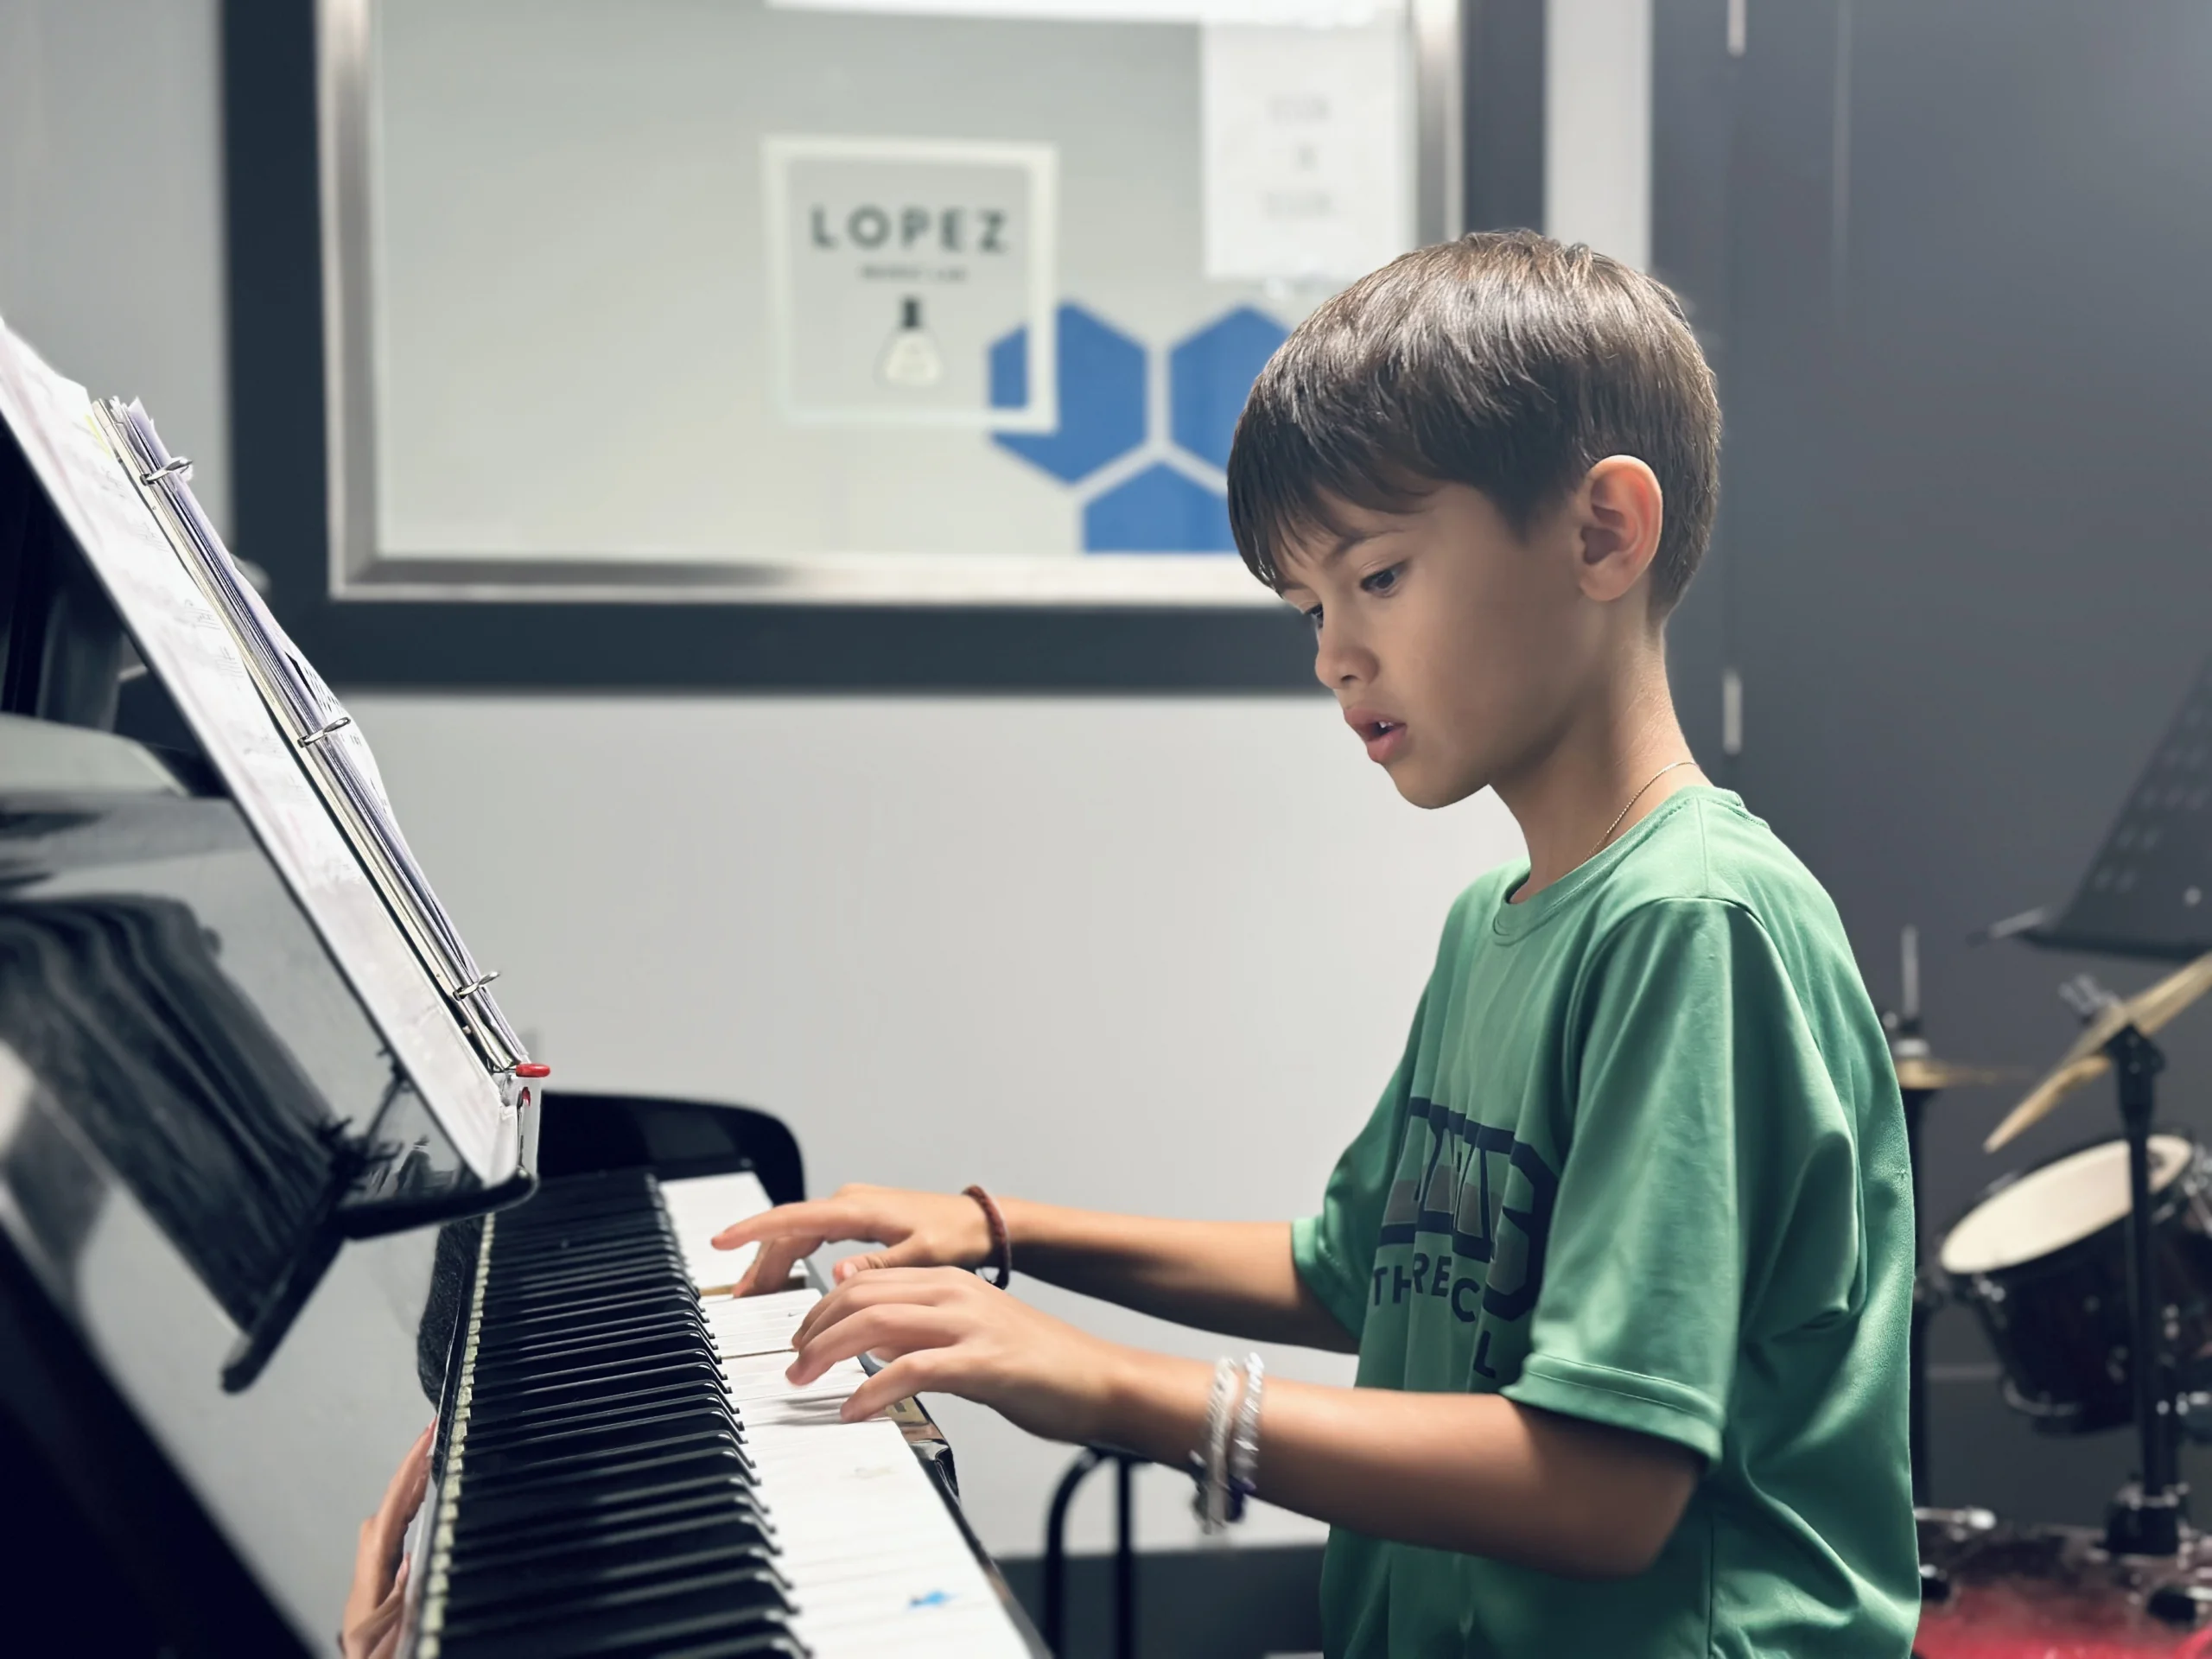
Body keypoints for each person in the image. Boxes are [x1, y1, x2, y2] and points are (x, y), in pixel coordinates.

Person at [715, 230, 1919, 1658]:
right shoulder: (1500, 921)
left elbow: (1605, 1491)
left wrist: (1115, 1389)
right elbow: (1358, 1272)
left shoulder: (1695, 925)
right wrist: (1000, 1232)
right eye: (1310, 606)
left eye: (1381, 577)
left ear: (1602, 532)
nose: (1332, 655)